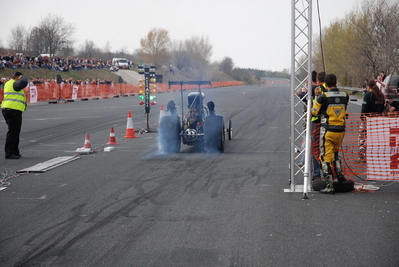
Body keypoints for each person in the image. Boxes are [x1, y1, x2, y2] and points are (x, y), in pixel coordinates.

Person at [311, 74, 349, 194]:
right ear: (336, 82)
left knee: (325, 157)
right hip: (340, 130)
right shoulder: (345, 95)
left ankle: (329, 185)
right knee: (336, 153)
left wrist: (316, 97)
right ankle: (340, 175)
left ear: (325, 85)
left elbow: (314, 112)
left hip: (328, 130)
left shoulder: (323, 97)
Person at [2, 71, 28, 159]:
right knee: (13, 132)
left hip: (9, 109)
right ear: (17, 77)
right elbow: (23, 82)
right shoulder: (14, 84)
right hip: (13, 109)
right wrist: (22, 78)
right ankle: (9, 153)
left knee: (15, 131)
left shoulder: (8, 83)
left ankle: (15, 151)